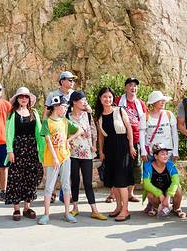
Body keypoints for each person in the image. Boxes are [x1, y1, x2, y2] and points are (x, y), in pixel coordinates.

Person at [38, 95, 83, 225]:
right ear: (56, 107)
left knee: (66, 185)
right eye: (64, 106)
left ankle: (67, 213)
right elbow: (48, 141)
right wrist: (55, 158)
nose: (66, 109)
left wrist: (68, 140)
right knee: (49, 187)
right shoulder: (47, 122)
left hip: (65, 157)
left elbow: (80, 130)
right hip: (52, 159)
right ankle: (46, 214)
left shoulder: (65, 121)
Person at [96, 86, 137, 222]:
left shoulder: (120, 110)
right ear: (100, 99)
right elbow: (101, 136)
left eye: (110, 97)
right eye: (104, 97)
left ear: (113, 98)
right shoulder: (99, 116)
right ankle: (118, 207)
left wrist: (131, 146)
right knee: (114, 181)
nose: (107, 99)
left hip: (122, 147)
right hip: (109, 148)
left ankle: (125, 210)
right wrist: (101, 151)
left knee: (121, 180)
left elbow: (129, 128)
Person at [4, 87, 44, 221]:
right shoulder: (12, 114)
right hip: (17, 149)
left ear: (29, 99)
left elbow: (39, 133)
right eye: (21, 96)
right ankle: (16, 208)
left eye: (26, 96)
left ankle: (27, 207)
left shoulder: (34, 112)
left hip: (32, 150)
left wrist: (42, 151)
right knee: (16, 178)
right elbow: (8, 134)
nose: (24, 99)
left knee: (30, 178)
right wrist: (10, 150)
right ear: (17, 99)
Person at [66, 91, 107, 220]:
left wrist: (94, 145)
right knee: (75, 181)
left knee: (88, 182)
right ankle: (75, 208)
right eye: (82, 100)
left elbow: (93, 130)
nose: (85, 102)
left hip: (87, 153)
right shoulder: (67, 116)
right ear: (74, 102)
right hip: (72, 153)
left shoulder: (87, 115)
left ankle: (94, 210)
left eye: (85, 100)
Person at [114, 77, 147, 204]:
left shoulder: (140, 104)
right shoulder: (118, 101)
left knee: (135, 166)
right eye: (130, 85)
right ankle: (114, 193)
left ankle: (130, 193)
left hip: (137, 139)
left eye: (135, 86)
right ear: (125, 88)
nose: (133, 88)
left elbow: (145, 120)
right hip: (121, 138)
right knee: (119, 166)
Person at [142, 144, 186, 218]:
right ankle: (156, 208)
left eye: (166, 154)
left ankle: (176, 208)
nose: (165, 156)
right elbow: (146, 184)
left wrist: (168, 196)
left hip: (168, 189)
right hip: (156, 189)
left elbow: (176, 181)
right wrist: (160, 194)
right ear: (155, 156)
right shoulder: (148, 166)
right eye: (162, 154)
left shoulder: (170, 165)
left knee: (178, 190)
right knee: (150, 194)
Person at [143, 91, 179, 159]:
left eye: (163, 100)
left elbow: (175, 134)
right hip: (152, 153)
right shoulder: (145, 116)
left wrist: (175, 151)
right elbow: (142, 135)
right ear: (153, 103)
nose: (163, 102)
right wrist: (143, 151)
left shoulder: (169, 114)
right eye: (160, 100)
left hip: (168, 153)